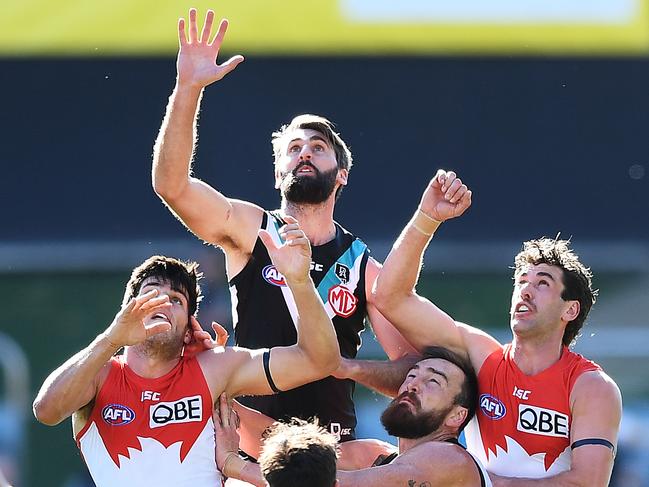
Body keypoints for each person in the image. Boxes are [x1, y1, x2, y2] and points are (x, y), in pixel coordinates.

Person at [151, 8, 413, 445]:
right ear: (277, 173)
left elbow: (409, 369)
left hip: (332, 455)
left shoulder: (361, 264)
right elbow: (171, 185)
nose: (305, 153)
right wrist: (188, 88)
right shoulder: (254, 230)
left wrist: (344, 366)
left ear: (342, 173)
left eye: (318, 146)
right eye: (293, 148)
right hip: (252, 451)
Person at [347, 169, 622, 485]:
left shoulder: (591, 387)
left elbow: (588, 483)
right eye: (521, 282)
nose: (525, 291)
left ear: (570, 310)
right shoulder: (481, 357)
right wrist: (427, 218)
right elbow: (389, 295)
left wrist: (482, 481)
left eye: (542, 283)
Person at [33, 218, 341, 487]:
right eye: (152, 293)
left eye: (176, 300)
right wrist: (111, 339)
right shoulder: (99, 372)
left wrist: (299, 282)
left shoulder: (214, 367)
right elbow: (46, 411)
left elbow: (319, 359)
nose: (163, 303)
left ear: (189, 325)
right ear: (127, 310)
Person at [214, 347, 492, 487]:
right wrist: (212, 386)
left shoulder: (450, 459)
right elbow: (280, 443)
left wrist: (233, 465)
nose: (413, 384)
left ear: (457, 415)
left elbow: (312, 482)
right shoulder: (372, 454)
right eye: (411, 375)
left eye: (434, 382)